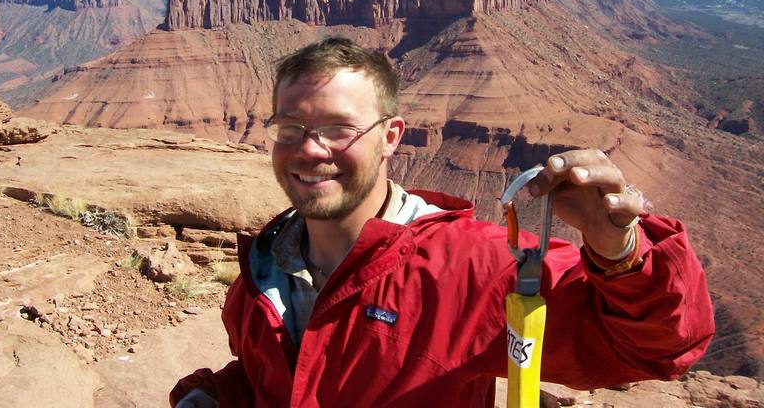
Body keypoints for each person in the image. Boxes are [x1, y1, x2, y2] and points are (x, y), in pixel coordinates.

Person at [171, 37, 713, 408]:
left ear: (391, 136)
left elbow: (654, 348)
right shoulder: (265, 267)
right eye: (289, 127)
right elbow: (283, 381)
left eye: (339, 128)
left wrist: (620, 253)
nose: (310, 150)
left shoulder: (472, 265)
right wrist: (218, 397)